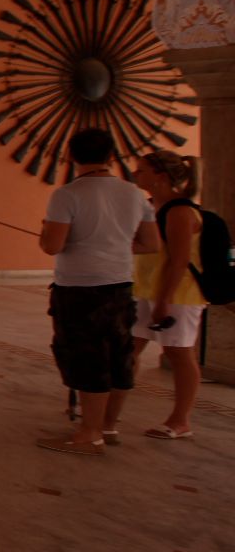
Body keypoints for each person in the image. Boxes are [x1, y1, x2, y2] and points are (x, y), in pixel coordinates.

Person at [37, 128, 159, 456]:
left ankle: (89, 433)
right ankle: (107, 425)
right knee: (120, 355)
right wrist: (113, 245)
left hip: (79, 289)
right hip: (119, 285)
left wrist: (44, 234)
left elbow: (53, 245)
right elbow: (150, 244)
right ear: (110, 156)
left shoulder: (68, 194)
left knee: (87, 357)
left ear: (72, 156)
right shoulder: (134, 194)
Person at [131, 149, 205, 440]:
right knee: (128, 349)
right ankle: (111, 405)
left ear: (160, 176)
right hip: (145, 289)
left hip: (178, 294)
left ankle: (180, 420)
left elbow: (179, 259)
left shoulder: (180, 211)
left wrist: (164, 300)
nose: (136, 175)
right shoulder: (150, 207)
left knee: (179, 354)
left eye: (142, 170)